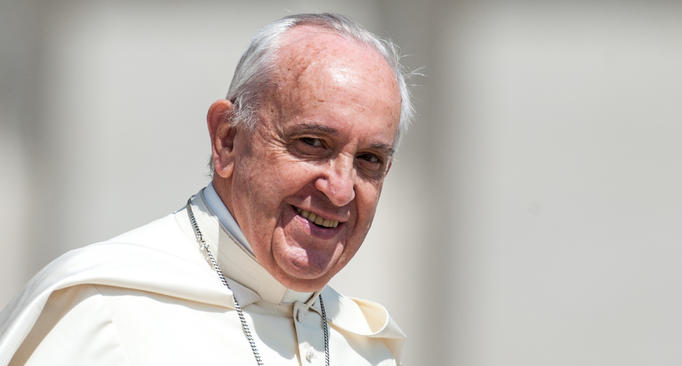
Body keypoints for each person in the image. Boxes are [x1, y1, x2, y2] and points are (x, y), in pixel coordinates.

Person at [0, 13, 413, 365]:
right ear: (227, 140)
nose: (340, 191)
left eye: (369, 159)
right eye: (311, 143)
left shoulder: (364, 347)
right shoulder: (102, 310)